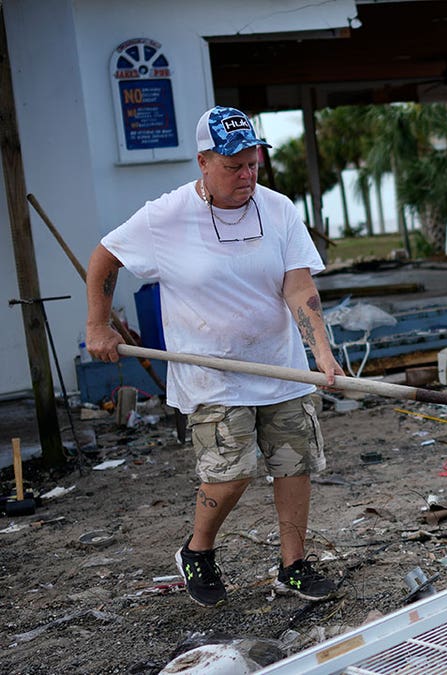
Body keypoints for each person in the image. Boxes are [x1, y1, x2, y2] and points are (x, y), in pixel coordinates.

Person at [85, 106, 345, 607]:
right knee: (231, 472)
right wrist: (97, 323)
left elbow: (299, 287)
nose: (247, 176)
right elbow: (104, 258)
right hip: (212, 374)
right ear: (203, 162)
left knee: (294, 464)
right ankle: (197, 550)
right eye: (233, 166)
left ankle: (292, 566)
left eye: (252, 164)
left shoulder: (279, 209)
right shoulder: (165, 216)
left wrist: (322, 356)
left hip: (280, 364)